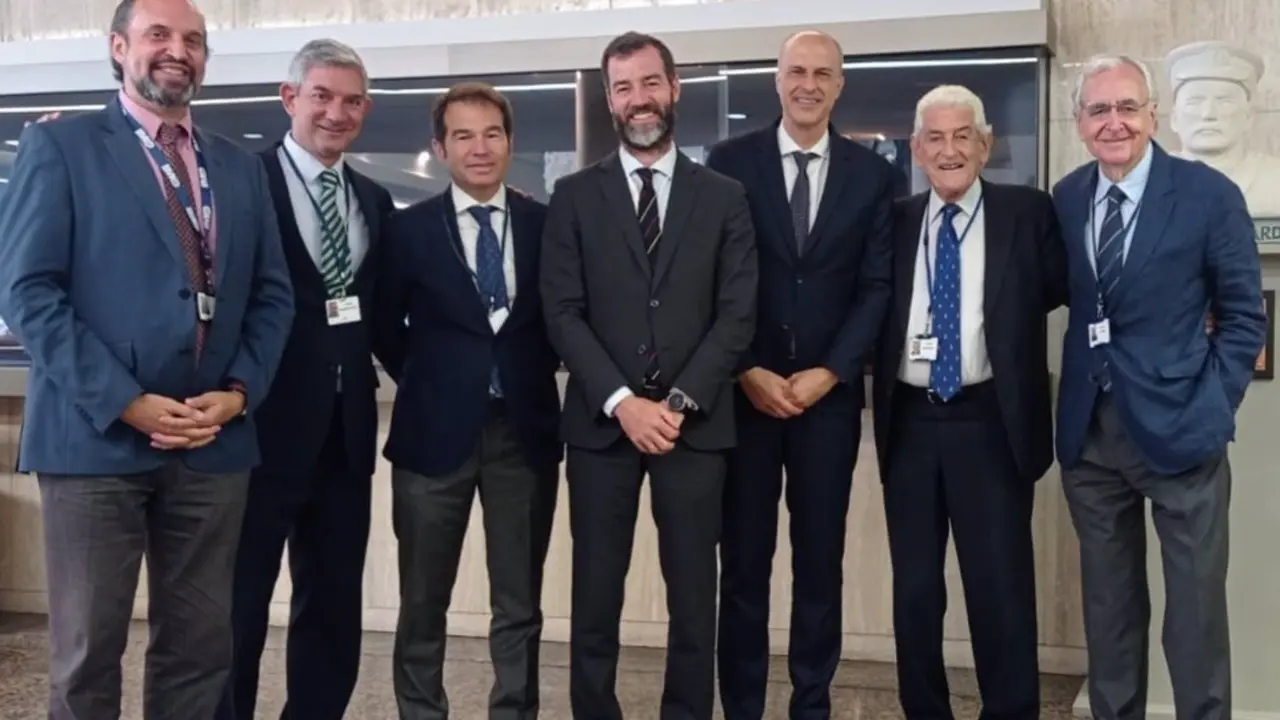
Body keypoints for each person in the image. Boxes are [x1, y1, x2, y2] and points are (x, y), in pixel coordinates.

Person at [0, 0, 294, 716]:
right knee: (87, 656)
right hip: (96, 441)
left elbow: (272, 297)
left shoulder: (238, 168)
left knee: (199, 652)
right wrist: (126, 400)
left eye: (193, 40)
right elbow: (28, 291)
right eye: (159, 35)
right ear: (118, 47)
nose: (178, 50)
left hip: (212, 441)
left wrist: (238, 393)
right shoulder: (63, 149)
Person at [540, 31, 758, 720]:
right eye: (624, 87)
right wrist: (624, 402)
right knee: (595, 600)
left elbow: (736, 314)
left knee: (696, 602)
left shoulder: (724, 196)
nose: (640, 99)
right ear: (609, 99)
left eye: (650, 83)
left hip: (695, 432)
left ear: (675, 87)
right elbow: (564, 313)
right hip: (603, 431)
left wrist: (680, 402)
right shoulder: (573, 195)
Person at [1054, 54, 1265, 720]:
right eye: (1098, 110)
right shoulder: (1065, 198)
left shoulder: (1207, 195)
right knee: (1109, 610)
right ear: (1079, 122)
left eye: (1126, 107)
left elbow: (1243, 316)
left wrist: (1214, 406)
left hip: (1182, 433)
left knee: (1195, 611)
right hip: (1091, 437)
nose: (1113, 122)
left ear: (1152, 115)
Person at [704, 30, 894, 718]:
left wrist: (833, 371)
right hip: (744, 398)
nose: (808, 84)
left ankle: (811, 703)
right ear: (776, 80)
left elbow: (877, 287)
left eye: (823, 73)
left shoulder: (874, 175)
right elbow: (714, 278)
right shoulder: (728, 164)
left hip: (828, 405)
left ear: (840, 85)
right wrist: (747, 366)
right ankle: (744, 707)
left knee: (820, 567)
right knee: (745, 569)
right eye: (796, 71)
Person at [871, 85, 1067, 720]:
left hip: (991, 421)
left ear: (986, 145)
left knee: (1000, 590)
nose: (949, 150)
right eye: (936, 138)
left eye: (963, 137)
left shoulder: (1028, 213)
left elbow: (1068, 291)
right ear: (917, 149)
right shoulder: (894, 222)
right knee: (917, 593)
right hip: (911, 421)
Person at [217, 39, 395, 720]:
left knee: (332, 604)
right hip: (256, 431)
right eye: (321, 95)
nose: (336, 112)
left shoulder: (374, 200)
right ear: (290, 98)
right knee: (239, 604)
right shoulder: (241, 184)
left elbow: (382, 315)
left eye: (351, 101)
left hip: (344, 439)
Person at [375, 81, 562, 720]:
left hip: (525, 434)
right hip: (433, 439)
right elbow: (380, 326)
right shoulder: (406, 231)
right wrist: (434, 379)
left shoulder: (547, 225)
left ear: (510, 142)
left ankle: (515, 710)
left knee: (519, 602)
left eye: (492, 134)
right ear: (440, 146)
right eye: (463, 135)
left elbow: (564, 320)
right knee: (423, 600)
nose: (479, 149)